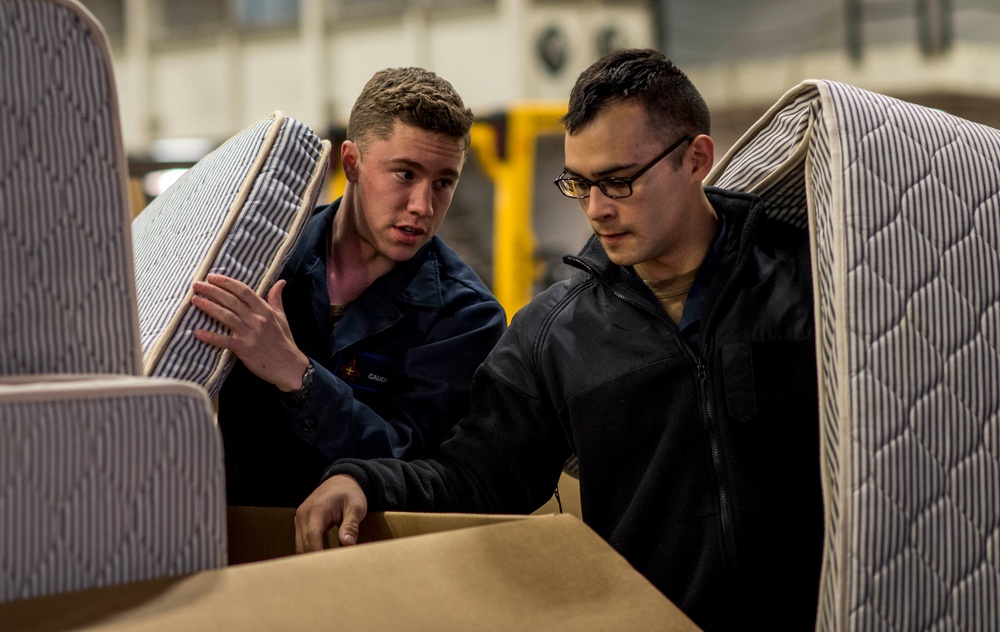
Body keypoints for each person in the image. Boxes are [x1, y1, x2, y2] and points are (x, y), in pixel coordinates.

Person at [294, 49, 822, 631]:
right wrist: (363, 478)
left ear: (696, 159)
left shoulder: (813, 290)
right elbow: (476, 479)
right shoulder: (553, 337)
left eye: (619, 182)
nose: (596, 209)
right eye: (581, 183)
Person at [190, 67, 507, 507]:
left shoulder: (466, 317)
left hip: (362, 558)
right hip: (239, 541)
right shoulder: (261, 261)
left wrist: (298, 376)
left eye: (443, 182)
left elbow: (413, 465)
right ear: (352, 163)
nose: (423, 206)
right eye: (404, 174)